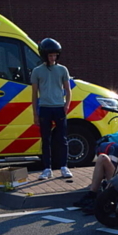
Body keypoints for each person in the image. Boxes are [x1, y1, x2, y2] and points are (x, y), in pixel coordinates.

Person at [31, 38, 72, 180]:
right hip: (44, 108)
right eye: (50, 55)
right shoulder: (37, 71)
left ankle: (64, 166)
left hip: (59, 107)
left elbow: (67, 89)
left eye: (55, 55)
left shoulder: (62, 69)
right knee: (46, 139)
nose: (53, 58)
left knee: (62, 138)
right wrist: (35, 113)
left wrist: (67, 104)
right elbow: (34, 93)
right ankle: (47, 168)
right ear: (44, 56)